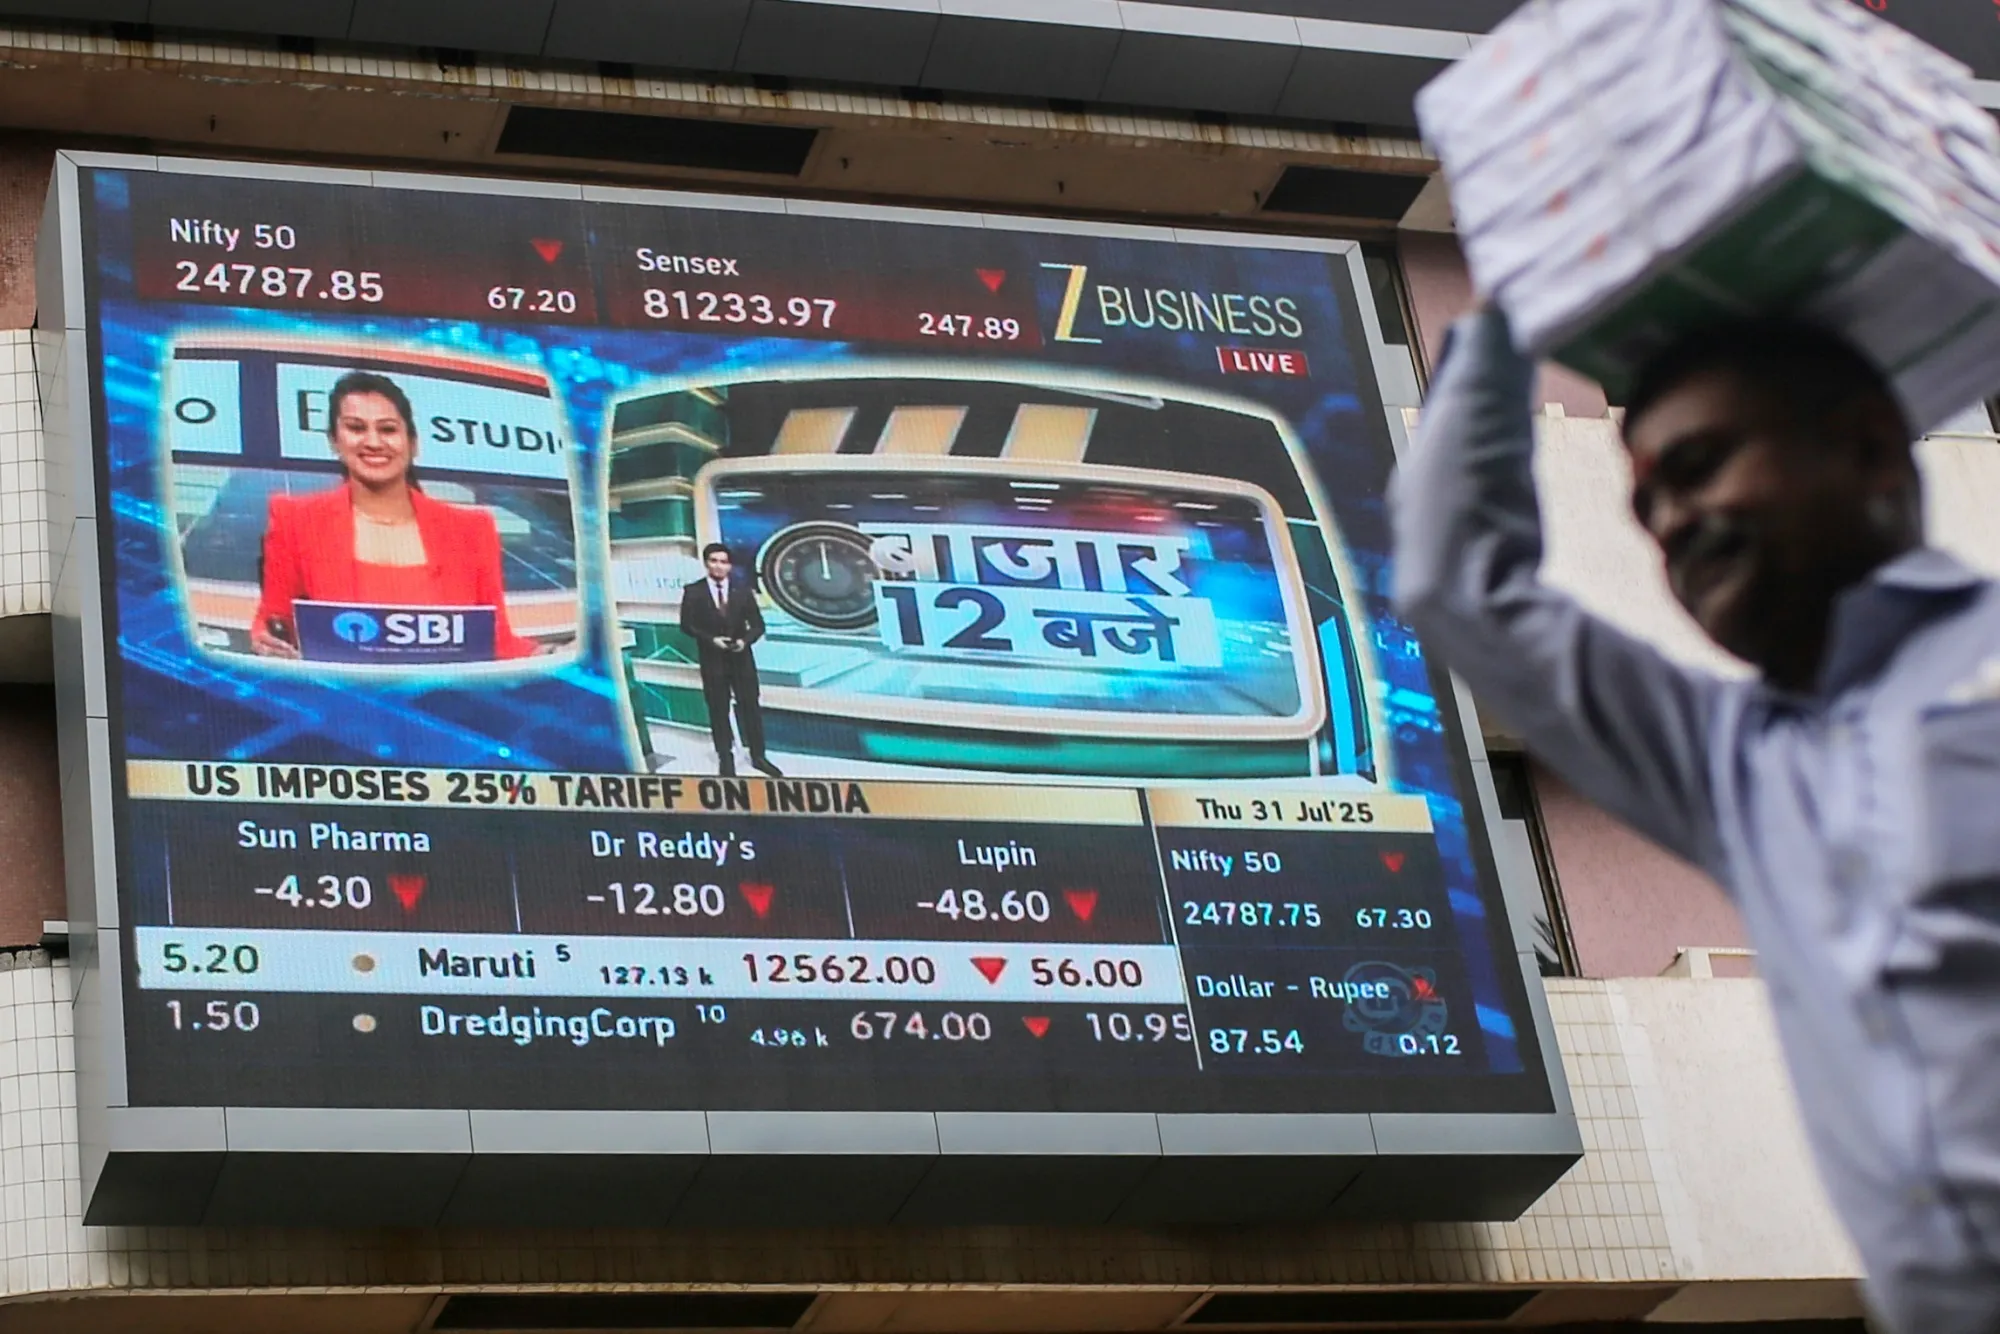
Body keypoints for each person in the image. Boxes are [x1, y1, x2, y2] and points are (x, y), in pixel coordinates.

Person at [1392, 306, 2000, 1334]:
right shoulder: (1749, 767)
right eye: (1647, 502)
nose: (1673, 519)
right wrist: (1509, 307)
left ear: (1863, 448)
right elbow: (1457, 584)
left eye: (1704, 461)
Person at [251, 370, 538, 660]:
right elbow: (274, 623)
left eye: (388, 430)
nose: (373, 442)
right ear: (334, 441)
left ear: (413, 444)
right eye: (356, 428)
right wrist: (265, 642)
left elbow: (496, 641)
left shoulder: (471, 531)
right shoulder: (296, 521)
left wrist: (547, 655)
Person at [679, 543, 781, 777]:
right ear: (706, 563)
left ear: (730, 565)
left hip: (741, 659)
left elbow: (758, 625)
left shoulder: (743, 591)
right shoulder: (693, 591)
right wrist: (711, 639)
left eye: (723, 562)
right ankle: (725, 758)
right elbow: (687, 625)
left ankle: (758, 756)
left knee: (750, 708)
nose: (719, 566)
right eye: (714, 561)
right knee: (718, 709)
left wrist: (744, 641)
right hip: (712, 660)